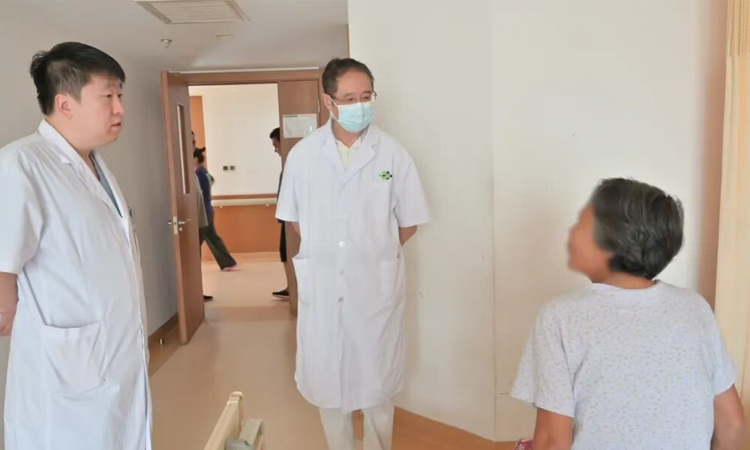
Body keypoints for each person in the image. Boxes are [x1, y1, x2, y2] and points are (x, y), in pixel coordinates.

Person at [511, 178, 745, 450]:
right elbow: (733, 425)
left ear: (611, 240)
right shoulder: (695, 307)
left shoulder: (560, 317)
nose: (571, 231)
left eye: (582, 222)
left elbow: (552, 442)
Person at [0, 42, 152, 449]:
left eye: (120, 95)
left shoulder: (95, 164)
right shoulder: (21, 165)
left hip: (113, 362)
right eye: (108, 96)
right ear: (65, 104)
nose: (120, 108)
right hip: (66, 377)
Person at [276, 58, 430, 450]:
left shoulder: (393, 155)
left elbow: (409, 221)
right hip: (324, 288)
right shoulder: (303, 156)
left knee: (377, 390)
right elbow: (295, 220)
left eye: (366, 96)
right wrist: (333, 248)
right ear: (328, 101)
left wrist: (371, 250)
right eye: (348, 98)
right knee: (329, 390)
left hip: (374, 288)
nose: (359, 105)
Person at [193, 145, 239, 272]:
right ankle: (228, 263)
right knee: (212, 238)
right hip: (208, 210)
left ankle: (193, 268)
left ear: (195, 159)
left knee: (196, 242)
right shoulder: (205, 172)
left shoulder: (198, 174)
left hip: (204, 213)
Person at [270, 127, 291, 299]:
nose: (276, 151)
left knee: (287, 252)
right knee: (284, 252)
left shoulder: (292, 165)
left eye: (276, 146)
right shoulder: (286, 166)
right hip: (286, 218)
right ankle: (290, 286)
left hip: (291, 219)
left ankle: (292, 288)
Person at [194, 171, 213, 301]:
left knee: (195, 258)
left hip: (200, 221)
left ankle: (196, 293)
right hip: (198, 221)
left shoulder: (196, 175)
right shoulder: (198, 174)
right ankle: (195, 294)